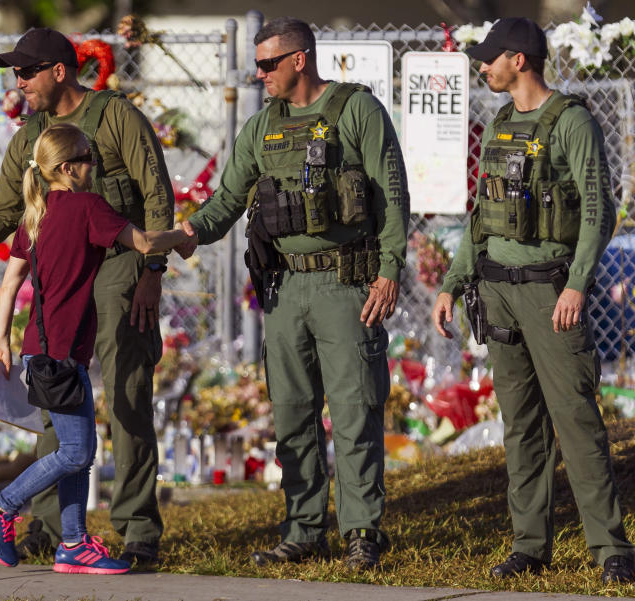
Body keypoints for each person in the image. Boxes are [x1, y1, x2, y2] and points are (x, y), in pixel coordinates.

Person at [175, 17, 409, 571]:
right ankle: (304, 528)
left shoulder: (356, 111)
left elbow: (392, 197)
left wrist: (390, 268)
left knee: (355, 411)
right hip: (284, 287)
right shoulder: (261, 128)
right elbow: (227, 199)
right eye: (256, 65)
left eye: (267, 64)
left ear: (300, 59)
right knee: (292, 413)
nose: (260, 76)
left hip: (348, 283)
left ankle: (362, 532)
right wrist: (184, 234)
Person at [0, 27, 173, 566]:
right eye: (14, 73)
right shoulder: (30, 137)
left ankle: (136, 525)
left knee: (127, 393)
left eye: (26, 72)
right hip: (62, 279)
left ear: (59, 71)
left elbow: (156, 193)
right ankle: (50, 526)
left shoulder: (115, 117)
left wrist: (153, 272)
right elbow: (5, 213)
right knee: (56, 400)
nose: (17, 82)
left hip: (120, 268)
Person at [432, 18, 634, 584]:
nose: (482, 66)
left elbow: (599, 210)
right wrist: (452, 284)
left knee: (576, 419)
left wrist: (576, 282)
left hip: (551, 292)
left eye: (490, 58)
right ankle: (530, 545)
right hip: (495, 292)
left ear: (518, 60)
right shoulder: (499, 122)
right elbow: (483, 217)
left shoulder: (570, 122)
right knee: (521, 425)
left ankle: (611, 548)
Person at [0, 123, 191, 574]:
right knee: (75, 452)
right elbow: (145, 242)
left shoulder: (36, 213)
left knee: (80, 450)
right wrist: (185, 233)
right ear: (68, 168)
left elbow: (10, 283)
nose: (96, 165)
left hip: (42, 351)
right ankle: (0, 507)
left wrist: (1, 342)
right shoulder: (88, 207)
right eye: (89, 158)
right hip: (60, 355)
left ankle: (73, 543)